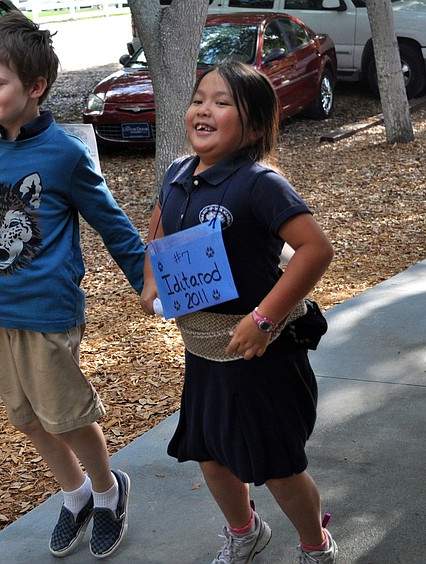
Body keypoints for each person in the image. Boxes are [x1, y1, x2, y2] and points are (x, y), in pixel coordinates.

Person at [0, 12, 145, 559]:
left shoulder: (65, 154)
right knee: (29, 419)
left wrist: (148, 283)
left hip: (48, 311)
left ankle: (108, 492)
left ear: (35, 87)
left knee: (69, 418)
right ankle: (75, 494)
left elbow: (113, 223)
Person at [140, 61, 337, 564]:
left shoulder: (259, 183)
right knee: (210, 457)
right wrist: (149, 281)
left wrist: (265, 319)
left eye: (222, 102)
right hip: (204, 354)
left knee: (277, 467)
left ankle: (316, 545)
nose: (204, 109)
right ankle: (245, 531)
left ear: (252, 124)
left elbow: (315, 249)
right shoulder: (177, 174)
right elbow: (158, 234)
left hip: (260, 354)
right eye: (199, 98)